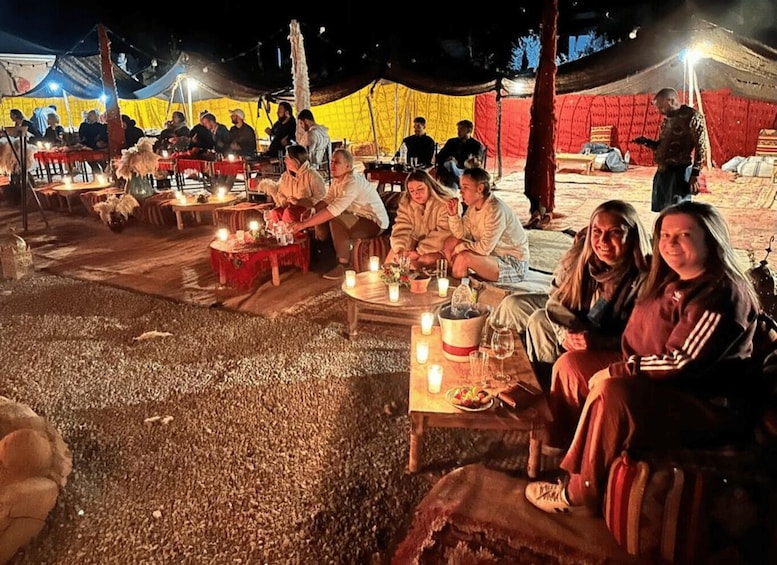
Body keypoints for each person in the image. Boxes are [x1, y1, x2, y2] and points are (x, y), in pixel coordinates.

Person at [525, 201, 761, 516]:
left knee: (612, 392)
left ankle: (580, 491)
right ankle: (570, 453)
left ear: (711, 240)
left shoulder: (719, 294)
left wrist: (618, 370)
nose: (671, 243)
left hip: (700, 400)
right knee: (570, 365)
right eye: (665, 235)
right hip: (652, 376)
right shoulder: (669, 276)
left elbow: (681, 361)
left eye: (684, 235)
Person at [491, 200, 651, 387]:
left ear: (632, 235)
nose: (603, 241)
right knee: (513, 305)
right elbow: (557, 298)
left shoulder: (644, 277)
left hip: (604, 333)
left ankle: (546, 386)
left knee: (540, 321)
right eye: (597, 231)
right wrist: (565, 332)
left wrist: (595, 341)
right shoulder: (582, 254)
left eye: (615, 232)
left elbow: (640, 337)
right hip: (576, 314)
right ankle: (491, 364)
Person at [288, 148, 389, 281]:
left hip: (374, 222)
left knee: (335, 219)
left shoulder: (352, 182)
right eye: (332, 161)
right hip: (355, 216)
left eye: (337, 162)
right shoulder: (338, 179)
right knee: (322, 217)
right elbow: (328, 199)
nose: (332, 165)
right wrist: (312, 210)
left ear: (348, 166)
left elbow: (333, 210)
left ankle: (343, 264)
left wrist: (303, 225)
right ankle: (324, 255)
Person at [442, 167, 529, 284]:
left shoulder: (495, 210)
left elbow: (484, 249)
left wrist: (461, 247)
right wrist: (453, 215)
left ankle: (458, 291)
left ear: (480, 188)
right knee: (450, 242)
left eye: (465, 188)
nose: (461, 192)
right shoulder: (473, 207)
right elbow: (461, 233)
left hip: (512, 263)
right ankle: (458, 275)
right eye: (461, 187)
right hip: (492, 257)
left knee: (464, 257)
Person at [633, 87, 708, 212]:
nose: (660, 112)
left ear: (671, 101)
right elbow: (664, 146)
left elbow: (701, 147)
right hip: (663, 171)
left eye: (661, 108)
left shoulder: (692, 117)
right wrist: (647, 142)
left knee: (678, 211)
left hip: (679, 172)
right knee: (663, 211)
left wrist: (695, 173)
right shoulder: (668, 119)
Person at [384, 169, 457, 270]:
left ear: (429, 187)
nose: (416, 194)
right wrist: (401, 249)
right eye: (412, 191)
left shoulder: (445, 204)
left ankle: (417, 283)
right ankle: (388, 281)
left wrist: (419, 252)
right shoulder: (407, 204)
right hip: (414, 245)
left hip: (439, 248)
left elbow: (443, 233)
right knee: (394, 257)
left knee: (423, 261)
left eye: (420, 189)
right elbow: (402, 227)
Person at [265, 145, 326, 224]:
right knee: (275, 213)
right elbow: (280, 193)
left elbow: (321, 197)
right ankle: (279, 233)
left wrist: (299, 202)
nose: (284, 161)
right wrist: (284, 201)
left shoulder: (312, 175)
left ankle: (292, 234)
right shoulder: (285, 177)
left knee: (289, 213)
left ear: (295, 161)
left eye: (287, 158)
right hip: (288, 208)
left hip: (305, 211)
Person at [435, 119, 485, 189]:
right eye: (458, 129)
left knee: (451, 178)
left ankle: (456, 185)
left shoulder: (476, 145)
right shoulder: (451, 142)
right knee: (450, 164)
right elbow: (439, 157)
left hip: (465, 171)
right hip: (450, 169)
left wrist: (460, 162)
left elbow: (477, 164)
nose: (458, 132)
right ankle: (459, 179)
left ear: (469, 130)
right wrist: (448, 158)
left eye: (461, 129)